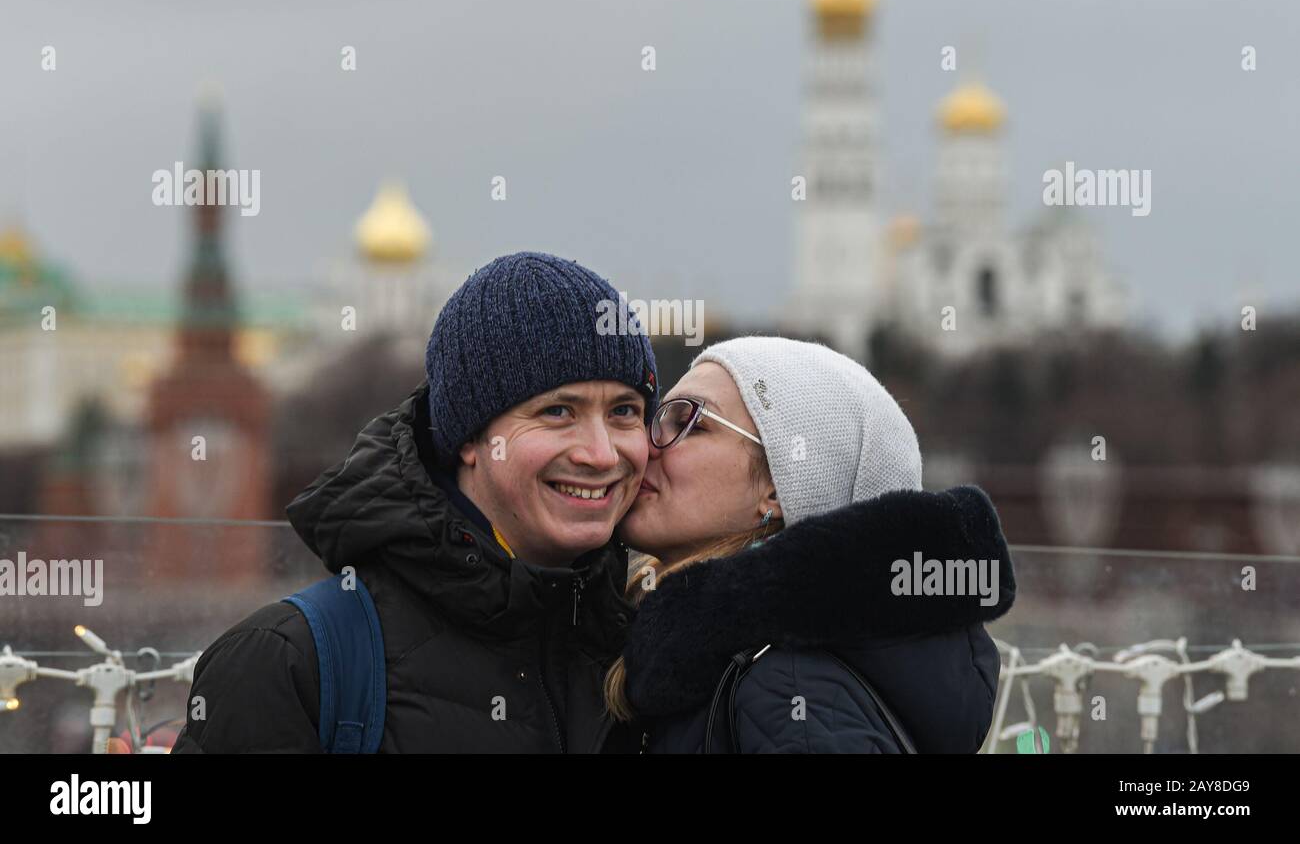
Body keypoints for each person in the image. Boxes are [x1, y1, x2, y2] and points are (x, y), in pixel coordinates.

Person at [172, 251, 657, 753]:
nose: (601, 454)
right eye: (558, 411)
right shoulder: (290, 663)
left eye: (625, 411)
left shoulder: (652, 652)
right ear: (468, 439)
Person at [607, 336, 1015, 753]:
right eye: (655, 418)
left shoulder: (787, 690)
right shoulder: (714, 655)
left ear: (778, 489)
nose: (646, 446)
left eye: (689, 421)